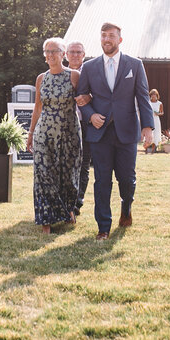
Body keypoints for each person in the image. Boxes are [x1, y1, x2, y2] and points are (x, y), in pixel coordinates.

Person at [75, 22, 155, 240]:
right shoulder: (89, 67)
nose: (106, 40)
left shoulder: (135, 65)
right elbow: (81, 98)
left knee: (127, 179)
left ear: (120, 40)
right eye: (103, 36)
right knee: (102, 180)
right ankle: (103, 227)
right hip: (100, 133)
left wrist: (148, 127)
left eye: (111, 36)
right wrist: (91, 115)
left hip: (127, 131)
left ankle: (126, 208)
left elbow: (143, 97)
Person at [27, 38, 82, 234]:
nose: (50, 54)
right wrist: (31, 133)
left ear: (63, 54)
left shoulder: (74, 76)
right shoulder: (41, 78)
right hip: (44, 132)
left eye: (54, 50)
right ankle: (46, 219)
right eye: (47, 51)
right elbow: (37, 107)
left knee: (68, 175)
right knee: (43, 173)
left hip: (69, 131)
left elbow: (86, 98)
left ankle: (67, 211)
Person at [65, 40, 90, 216]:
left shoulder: (91, 72)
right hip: (64, 124)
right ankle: (63, 203)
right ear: (66, 55)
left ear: (84, 55)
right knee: (64, 165)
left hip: (85, 124)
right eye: (71, 52)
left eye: (78, 52)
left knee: (83, 165)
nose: (75, 55)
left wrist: (89, 97)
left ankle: (76, 205)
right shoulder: (60, 73)